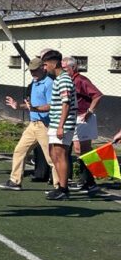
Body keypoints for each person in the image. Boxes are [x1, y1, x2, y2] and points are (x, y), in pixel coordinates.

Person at [0, 57, 57, 191]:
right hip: (33, 124)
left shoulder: (49, 84)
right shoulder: (35, 82)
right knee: (19, 150)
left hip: (44, 125)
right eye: (31, 71)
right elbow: (31, 106)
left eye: (35, 70)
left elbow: (51, 105)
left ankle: (60, 186)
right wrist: (18, 106)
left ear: (43, 68)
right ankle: (15, 181)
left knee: (51, 158)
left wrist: (35, 108)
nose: (32, 73)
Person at [41, 49, 78, 200]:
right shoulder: (58, 80)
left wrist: (61, 125)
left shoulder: (64, 80)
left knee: (61, 155)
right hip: (55, 122)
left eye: (45, 64)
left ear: (54, 63)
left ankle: (64, 188)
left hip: (62, 124)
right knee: (53, 153)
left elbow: (66, 103)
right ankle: (60, 187)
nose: (44, 68)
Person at [63, 56, 102, 195]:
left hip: (83, 118)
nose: (62, 71)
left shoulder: (81, 80)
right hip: (74, 117)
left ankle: (90, 182)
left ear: (73, 68)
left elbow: (97, 95)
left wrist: (89, 111)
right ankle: (86, 181)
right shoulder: (67, 80)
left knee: (82, 150)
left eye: (65, 69)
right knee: (79, 150)